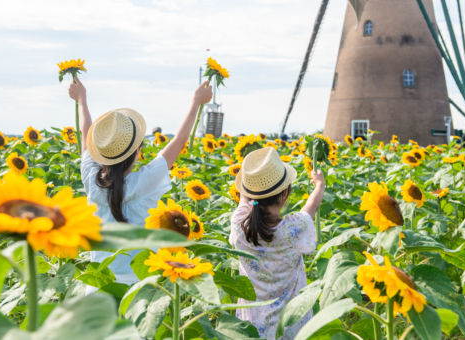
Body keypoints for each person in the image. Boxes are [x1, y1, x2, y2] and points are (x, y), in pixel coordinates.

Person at [68, 78, 213, 288]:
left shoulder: (92, 180)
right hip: (138, 286)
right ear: (138, 152)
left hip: (100, 283)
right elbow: (179, 141)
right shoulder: (146, 182)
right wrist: (196, 103)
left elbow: (85, 132)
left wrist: (81, 99)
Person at [229, 147, 326, 340]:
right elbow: (311, 207)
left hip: (254, 322)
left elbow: (243, 199)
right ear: (285, 194)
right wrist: (319, 185)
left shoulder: (239, 224)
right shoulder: (292, 228)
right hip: (290, 323)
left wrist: (251, 180)